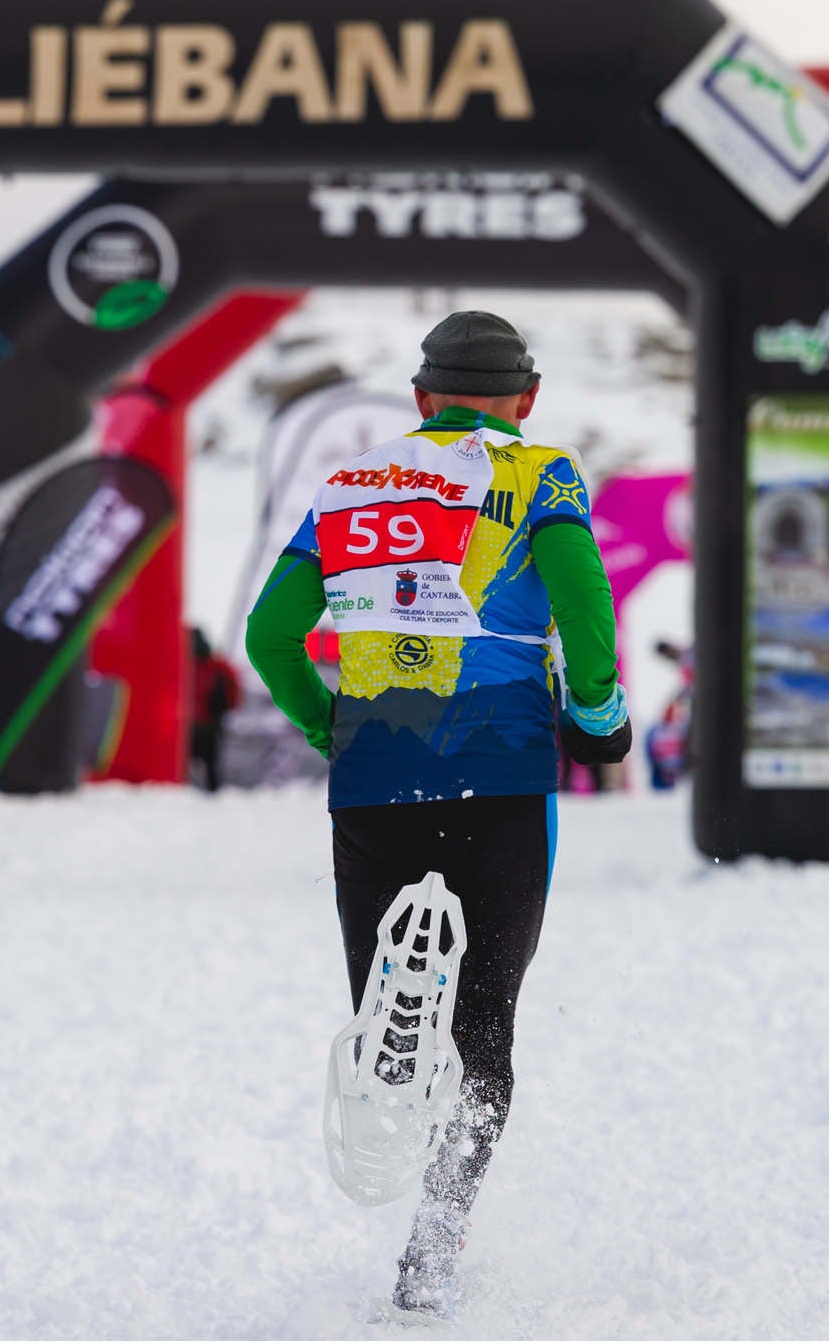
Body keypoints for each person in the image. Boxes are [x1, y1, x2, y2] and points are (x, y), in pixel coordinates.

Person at [244, 311, 628, 1319]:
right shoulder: (539, 471)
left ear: (420, 399)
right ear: (525, 399)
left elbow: (268, 631)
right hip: (501, 772)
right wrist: (598, 713)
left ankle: (390, 1059)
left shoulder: (348, 483)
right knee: (486, 1024)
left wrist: (331, 727)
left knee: (388, 1011)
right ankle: (437, 1229)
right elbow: (584, 604)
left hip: (375, 772)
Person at [188, 626, 242, 792]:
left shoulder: (184, 664)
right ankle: (213, 795)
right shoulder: (217, 665)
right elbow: (234, 694)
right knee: (212, 764)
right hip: (211, 723)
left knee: (183, 762)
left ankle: (188, 792)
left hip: (189, 725)